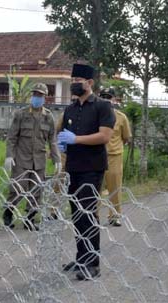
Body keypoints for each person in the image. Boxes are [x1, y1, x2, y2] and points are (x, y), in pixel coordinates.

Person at [57, 63, 115, 281]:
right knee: (77, 215)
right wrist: (63, 143)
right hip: (73, 166)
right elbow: (64, 133)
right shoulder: (70, 109)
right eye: (72, 81)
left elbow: (104, 136)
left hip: (93, 168)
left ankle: (93, 263)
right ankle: (81, 257)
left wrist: (76, 139)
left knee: (88, 214)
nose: (74, 84)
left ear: (90, 83)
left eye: (78, 81)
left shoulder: (102, 106)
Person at [3, 83, 61, 230]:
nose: (37, 97)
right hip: (22, 159)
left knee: (36, 191)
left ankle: (30, 219)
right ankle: (8, 213)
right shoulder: (21, 114)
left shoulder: (48, 117)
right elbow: (12, 137)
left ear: (45, 97)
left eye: (40, 95)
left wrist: (57, 159)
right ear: (32, 95)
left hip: (39, 160)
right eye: (35, 94)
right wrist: (9, 156)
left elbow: (52, 140)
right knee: (17, 188)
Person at [98, 87, 132, 227]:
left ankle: (115, 216)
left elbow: (126, 138)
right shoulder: (95, 115)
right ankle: (93, 216)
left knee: (115, 188)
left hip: (114, 156)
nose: (106, 99)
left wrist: (115, 147)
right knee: (96, 187)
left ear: (114, 99)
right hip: (97, 155)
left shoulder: (121, 117)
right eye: (103, 97)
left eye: (109, 97)